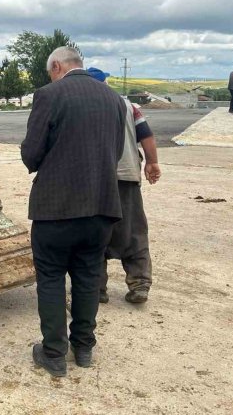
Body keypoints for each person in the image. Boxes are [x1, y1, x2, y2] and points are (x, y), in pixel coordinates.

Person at [21, 47, 126, 375]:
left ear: (56, 66)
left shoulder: (49, 94)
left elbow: (31, 154)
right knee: (87, 276)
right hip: (101, 207)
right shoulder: (114, 99)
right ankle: (83, 348)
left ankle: (53, 353)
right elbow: (117, 151)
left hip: (56, 208)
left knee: (51, 277)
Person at [85, 67, 161, 304]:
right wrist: (152, 162)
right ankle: (139, 284)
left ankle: (95, 288)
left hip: (94, 181)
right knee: (133, 231)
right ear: (105, 83)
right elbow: (146, 135)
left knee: (93, 233)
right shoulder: (128, 105)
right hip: (126, 176)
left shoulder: (83, 106)